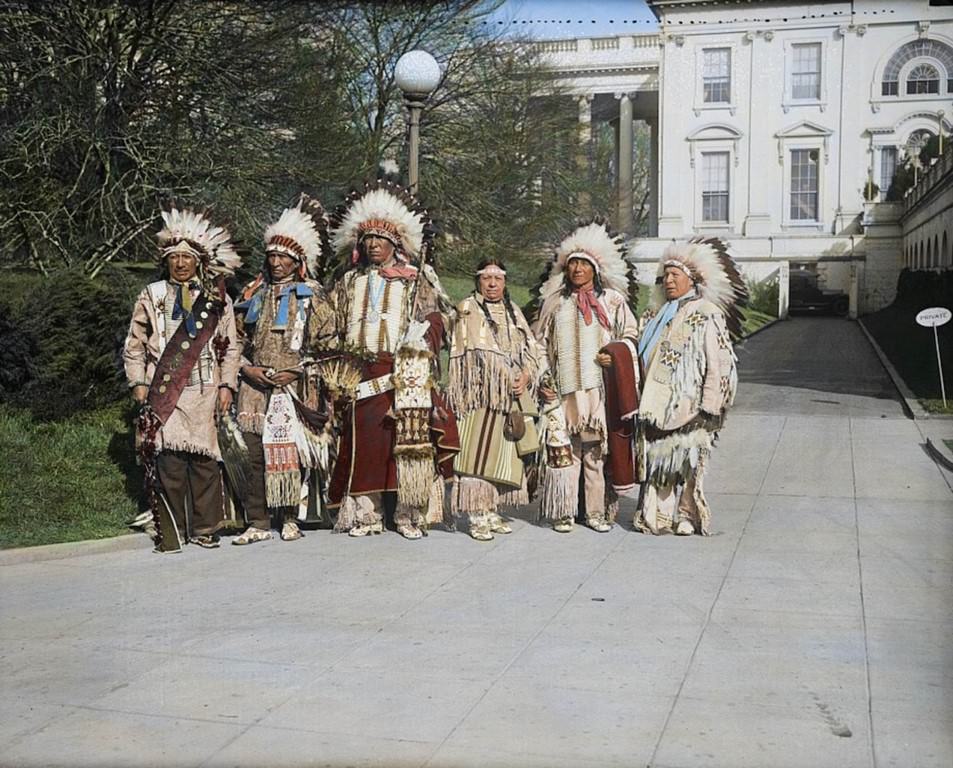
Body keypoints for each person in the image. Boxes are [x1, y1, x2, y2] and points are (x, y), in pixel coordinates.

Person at [325, 181, 459, 539]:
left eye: (380, 241)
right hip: (359, 372)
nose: (373, 246)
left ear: (395, 244)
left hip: (402, 372)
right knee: (366, 445)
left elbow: (444, 316)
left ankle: (407, 513)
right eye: (368, 241)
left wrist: (427, 331)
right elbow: (333, 323)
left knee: (406, 445)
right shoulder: (348, 281)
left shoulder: (415, 280)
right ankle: (366, 514)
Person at [123, 207, 242, 551]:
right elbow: (134, 344)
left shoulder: (217, 301)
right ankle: (174, 526)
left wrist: (226, 385)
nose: (180, 264)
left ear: (199, 262)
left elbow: (231, 347)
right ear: (166, 261)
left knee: (205, 461)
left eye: (187, 258)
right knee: (170, 461)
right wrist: (138, 383)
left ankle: (205, 528)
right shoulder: (152, 295)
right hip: (165, 391)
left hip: (205, 389)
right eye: (174, 257)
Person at [231, 196, 337, 545]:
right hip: (255, 388)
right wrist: (248, 371)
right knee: (253, 454)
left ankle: (290, 516)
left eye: (284, 258)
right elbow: (232, 341)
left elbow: (327, 344)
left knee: (288, 453)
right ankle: (258, 521)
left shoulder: (313, 295)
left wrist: (299, 372)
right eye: (273, 256)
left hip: (295, 386)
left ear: (298, 261)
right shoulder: (252, 294)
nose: (276, 263)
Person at [531, 218, 640, 533]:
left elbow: (631, 335)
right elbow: (539, 345)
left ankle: (594, 512)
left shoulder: (613, 302)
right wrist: (544, 380)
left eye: (583, 264)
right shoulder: (555, 303)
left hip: (596, 392)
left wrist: (616, 353)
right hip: (564, 392)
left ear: (595, 268)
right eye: (572, 264)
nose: (577, 269)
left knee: (593, 455)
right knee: (565, 455)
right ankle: (564, 512)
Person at [634, 237, 746, 536]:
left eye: (676, 276)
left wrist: (711, 405)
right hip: (655, 402)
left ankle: (686, 515)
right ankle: (659, 515)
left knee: (688, 462)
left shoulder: (706, 312)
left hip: (689, 402)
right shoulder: (653, 315)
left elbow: (720, 362)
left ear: (692, 279)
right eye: (666, 276)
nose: (669, 281)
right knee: (659, 461)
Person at [447, 258, 541, 541]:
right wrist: (507, 375)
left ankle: (490, 509)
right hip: (480, 395)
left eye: (497, 279)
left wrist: (526, 374)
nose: (491, 284)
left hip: (509, 397)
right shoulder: (468, 309)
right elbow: (477, 350)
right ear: (478, 281)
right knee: (477, 456)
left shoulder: (513, 311)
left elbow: (531, 346)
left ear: (505, 282)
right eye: (486, 279)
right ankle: (475, 514)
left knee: (501, 457)